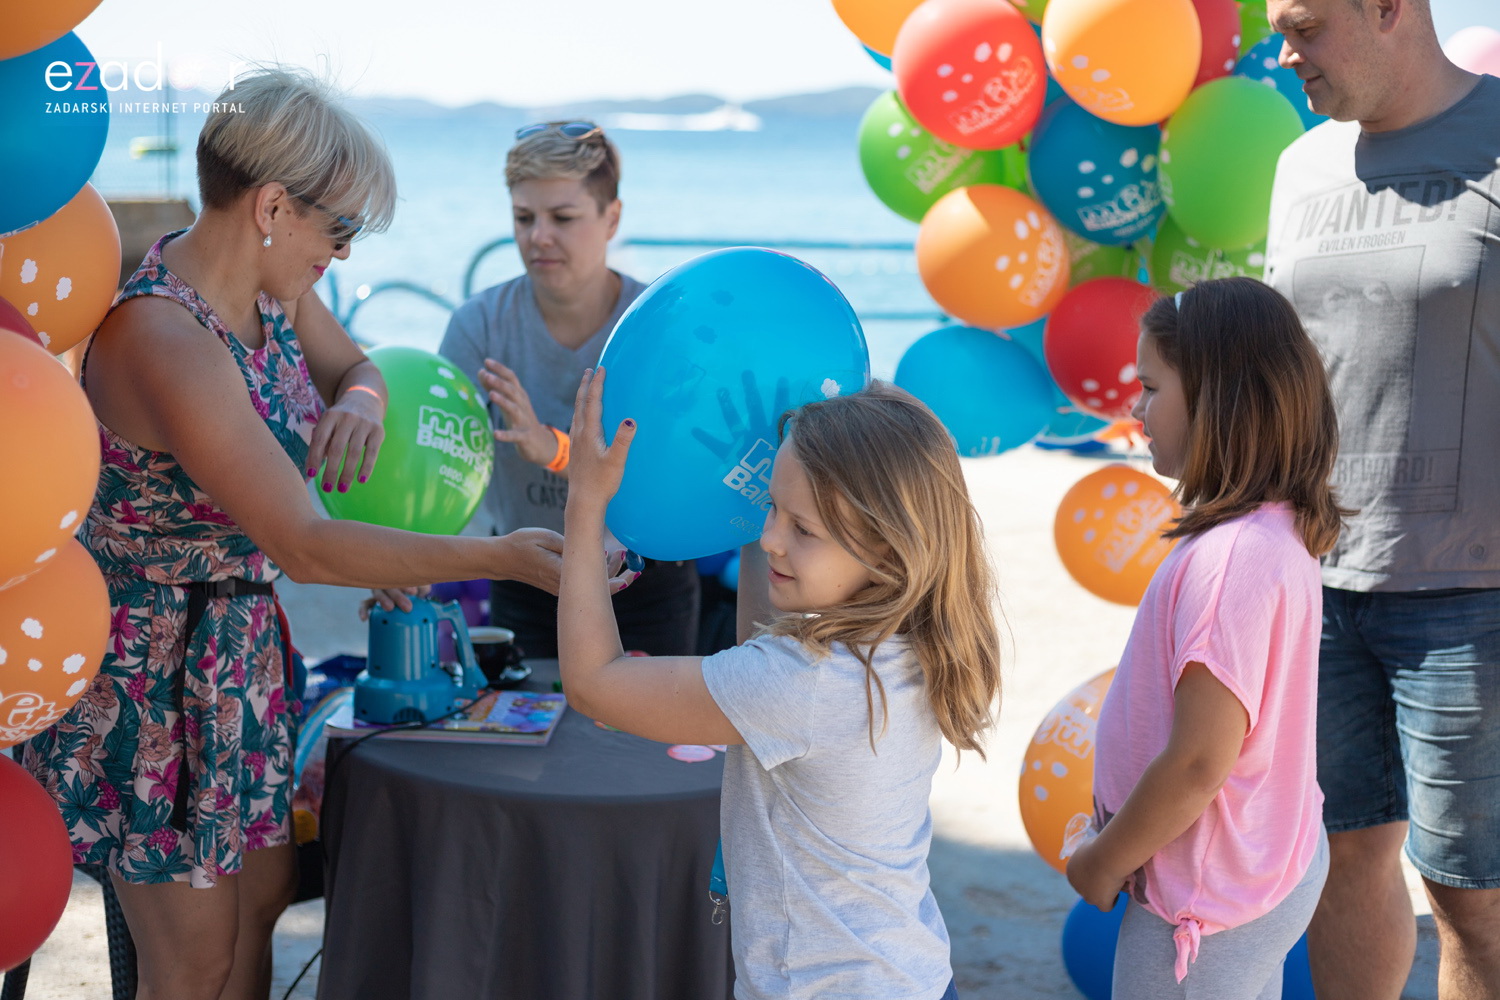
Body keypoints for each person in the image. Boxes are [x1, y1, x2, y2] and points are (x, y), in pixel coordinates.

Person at [21, 69, 623, 1000]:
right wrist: (499, 558)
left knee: (262, 907)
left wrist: (366, 401)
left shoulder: (271, 294)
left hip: (239, 655)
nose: (340, 256)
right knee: (192, 965)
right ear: (271, 206)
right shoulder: (164, 336)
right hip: (159, 682)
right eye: (337, 229)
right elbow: (302, 542)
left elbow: (364, 366)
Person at [555, 371, 1001, 1000]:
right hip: (911, 976)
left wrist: (585, 504)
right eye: (770, 507)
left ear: (888, 551)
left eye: (803, 530)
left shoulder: (804, 684)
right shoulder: (910, 643)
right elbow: (761, 640)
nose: (769, 539)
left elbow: (595, 684)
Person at [1262, 1, 1500, 995]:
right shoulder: (1299, 168)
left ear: (1390, 11)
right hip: (1312, 587)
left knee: (1472, 900)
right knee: (1336, 864)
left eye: (1306, 26)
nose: (1286, 52)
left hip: (1472, 597)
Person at [1066, 278, 1349, 998]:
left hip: (1205, 897)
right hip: (1259, 859)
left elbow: (1198, 761)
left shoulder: (1231, 562)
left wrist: (1101, 862)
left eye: (1152, 386)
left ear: (1222, 402)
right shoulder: (1272, 530)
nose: (1135, 408)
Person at [438, 121, 700, 658]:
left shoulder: (660, 326)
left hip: (649, 586)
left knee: (643, 743)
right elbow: (436, 464)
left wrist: (550, 447)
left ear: (612, 218)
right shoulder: (479, 326)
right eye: (523, 217)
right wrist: (408, 556)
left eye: (562, 217)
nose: (538, 237)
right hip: (526, 576)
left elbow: (679, 473)